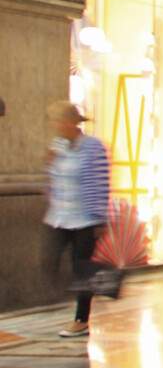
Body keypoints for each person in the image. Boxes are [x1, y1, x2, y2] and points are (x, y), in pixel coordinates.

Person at [43, 101, 110, 339]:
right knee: (48, 260)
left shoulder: (93, 147)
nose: (55, 126)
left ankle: (81, 319)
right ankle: (66, 297)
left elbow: (101, 182)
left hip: (85, 217)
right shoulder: (58, 145)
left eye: (58, 121)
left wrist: (100, 220)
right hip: (59, 216)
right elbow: (53, 178)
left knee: (82, 269)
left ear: (71, 123)